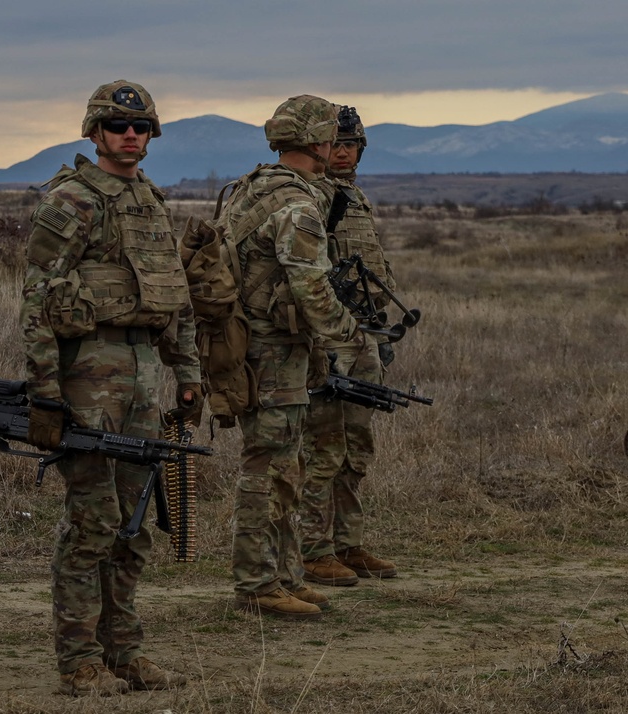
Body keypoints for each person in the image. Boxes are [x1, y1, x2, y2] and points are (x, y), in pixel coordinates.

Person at [20, 80, 203, 697]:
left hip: (144, 372)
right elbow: (38, 300)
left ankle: (125, 654)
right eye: (119, 126)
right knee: (92, 523)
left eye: (142, 127)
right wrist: (45, 391)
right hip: (88, 374)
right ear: (94, 133)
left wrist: (188, 373)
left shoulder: (150, 200)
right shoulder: (72, 199)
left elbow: (173, 296)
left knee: (133, 527)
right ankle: (78, 662)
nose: (131, 135)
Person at [216, 95, 363, 620]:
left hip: (257, 347)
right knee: (268, 467)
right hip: (273, 351)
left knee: (284, 465)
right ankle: (257, 582)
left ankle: (283, 576)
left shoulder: (252, 188)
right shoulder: (297, 204)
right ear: (319, 142)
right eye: (331, 137)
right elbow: (311, 287)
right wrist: (350, 337)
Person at [299, 105, 398, 587]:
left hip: (365, 335)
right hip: (330, 337)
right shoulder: (309, 196)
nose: (343, 151)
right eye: (335, 143)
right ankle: (314, 549)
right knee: (323, 444)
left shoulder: (354, 197)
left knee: (357, 444)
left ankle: (348, 542)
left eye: (351, 143)